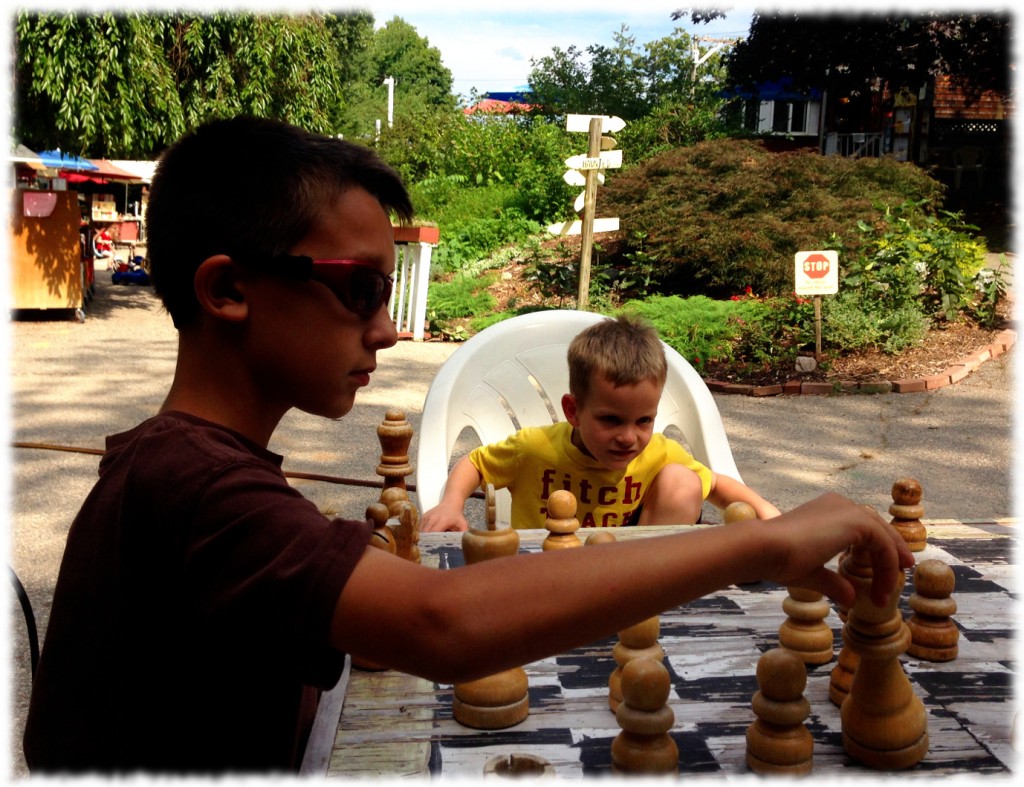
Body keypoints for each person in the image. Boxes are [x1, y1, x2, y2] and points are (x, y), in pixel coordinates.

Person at [23, 115, 914, 775]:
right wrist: (751, 542)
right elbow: (443, 624)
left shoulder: (191, 465)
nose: (388, 330)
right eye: (360, 289)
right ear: (228, 291)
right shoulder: (193, 488)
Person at [420, 314, 781, 532]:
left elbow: (716, 485)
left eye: (644, 420)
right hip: (544, 573)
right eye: (611, 420)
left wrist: (769, 513)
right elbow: (474, 463)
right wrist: (451, 504)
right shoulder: (534, 447)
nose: (628, 437)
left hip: (628, 575)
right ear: (573, 412)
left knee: (683, 481)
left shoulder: (658, 452)